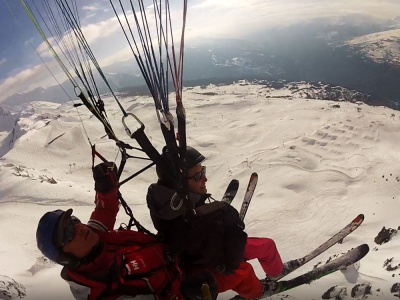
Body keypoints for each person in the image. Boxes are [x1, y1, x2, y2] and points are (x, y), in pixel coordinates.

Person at [36, 162, 219, 300]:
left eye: (73, 221)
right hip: (185, 280)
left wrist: (104, 188)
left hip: (174, 254)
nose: (79, 228)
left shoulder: (95, 237)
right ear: (65, 258)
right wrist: (186, 293)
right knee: (238, 271)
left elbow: (104, 210)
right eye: (68, 234)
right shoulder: (102, 291)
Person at [146, 146, 294, 298]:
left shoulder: (170, 198)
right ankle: (259, 291)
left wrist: (214, 212)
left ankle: (276, 272)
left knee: (266, 246)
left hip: (213, 248)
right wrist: (230, 226)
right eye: (198, 176)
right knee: (244, 273)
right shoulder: (183, 219)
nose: (205, 179)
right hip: (202, 275)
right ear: (180, 184)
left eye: (203, 171)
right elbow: (222, 257)